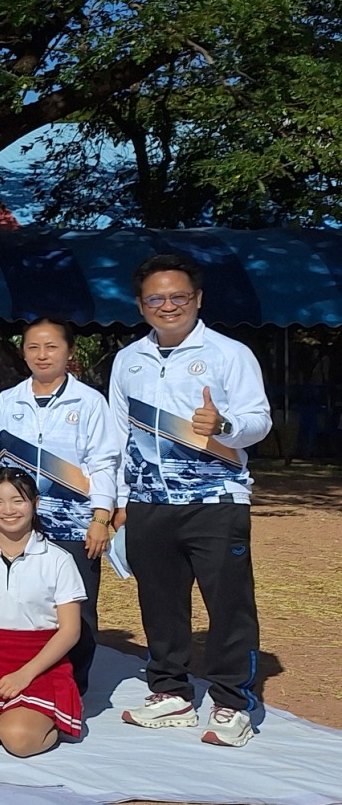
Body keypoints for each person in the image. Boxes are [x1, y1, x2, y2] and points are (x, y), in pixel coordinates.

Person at [108, 253, 273, 746]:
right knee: (159, 602)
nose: (168, 306)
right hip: (148, 503)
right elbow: (117, 434)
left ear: (198, 299)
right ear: (140, 305)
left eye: (178, 296)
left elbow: (259, 419)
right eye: (155, 298)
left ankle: (232, 701)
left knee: (228, 604)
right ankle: (171, 692)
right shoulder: (128, 359)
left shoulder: (229, 354)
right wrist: (119, 499)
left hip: (215, 500)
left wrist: (225, 425)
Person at [0, 317, 124, 689]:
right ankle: (21, 679)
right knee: (19, 601)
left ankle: (72, 687)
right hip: (15, 522)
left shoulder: (90, 402)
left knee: (78, 609)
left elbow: (105, 462)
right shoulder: (8, 400)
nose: (42, 355)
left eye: (52, 346)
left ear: (69, 351)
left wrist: (101, 517)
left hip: (73, 523)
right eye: (33, 347)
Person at [0, 468, 86, 756]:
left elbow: (70, 631)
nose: (8, 510)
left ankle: (42, 720)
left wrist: (25, 674)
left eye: (18, 501)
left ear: (35, 503)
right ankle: (4, 715)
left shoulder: (58, 559)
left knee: (18, 739)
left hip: (40, 659)